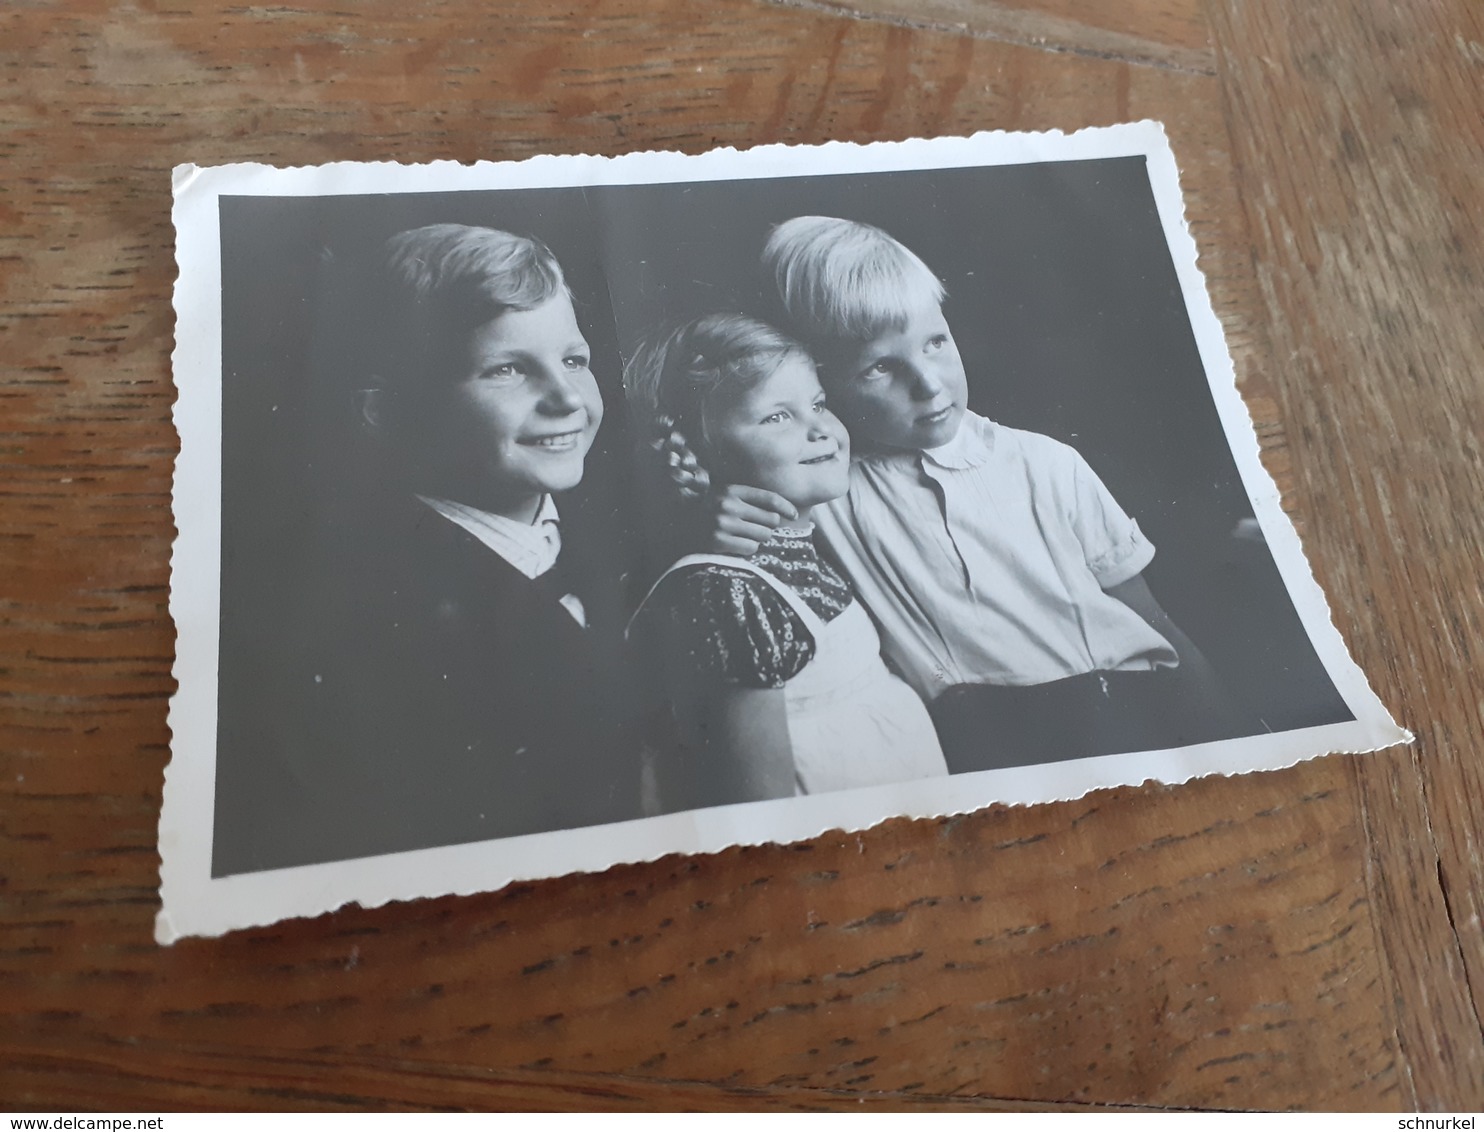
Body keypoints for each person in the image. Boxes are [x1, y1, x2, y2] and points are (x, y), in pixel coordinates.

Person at [697, 216, 1249, 772]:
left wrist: (1240, 739)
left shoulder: (1044, 462)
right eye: (881, 367)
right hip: (988, 737)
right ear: (822, 382)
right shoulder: (820, 489)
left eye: (935, 342)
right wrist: (712, 521)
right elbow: (732, 516)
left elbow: (1151, 618)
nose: (929, 383)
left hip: (1132, 706)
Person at [214, 223, 645, 873]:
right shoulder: (374, 626)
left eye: (574, 360)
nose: (565, 399)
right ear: (385, 412)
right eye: (506, 369)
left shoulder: (614, 531)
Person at [624, 313, 947, 810]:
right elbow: (760, 805)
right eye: (777, 417)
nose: (820, 429)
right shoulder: (730, 591)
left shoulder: (799, 543)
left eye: (817, 403)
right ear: (702, 452)